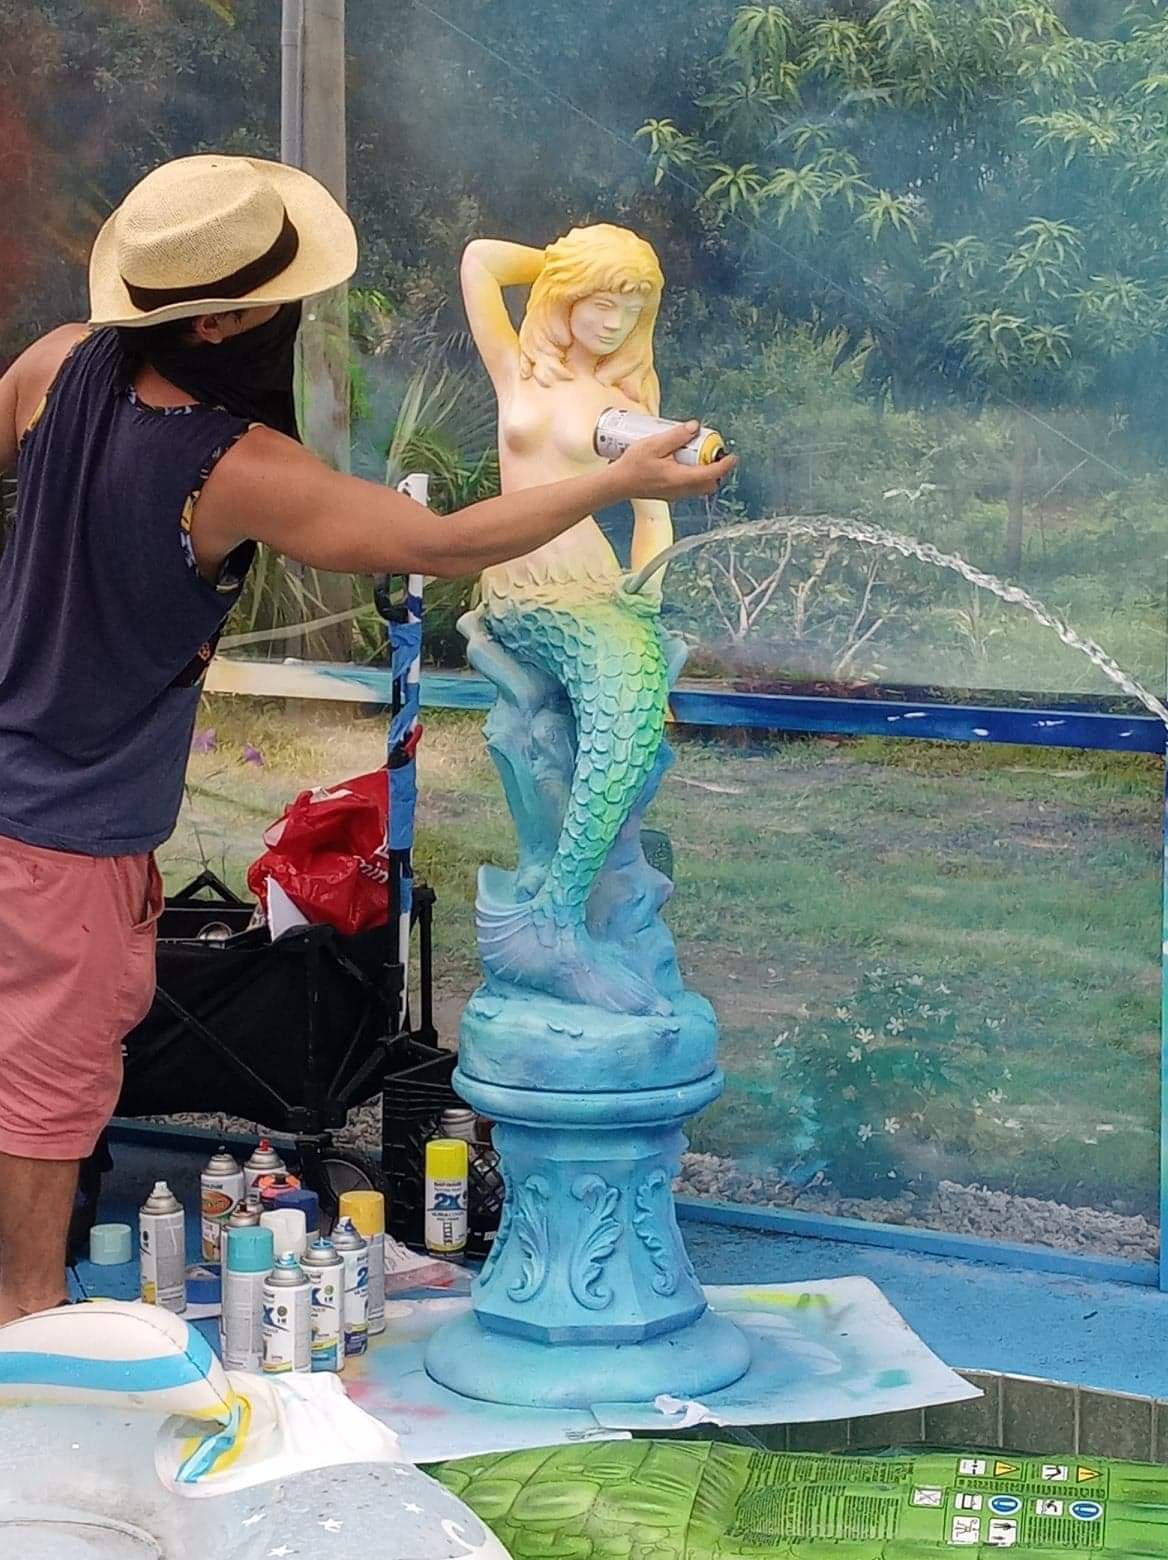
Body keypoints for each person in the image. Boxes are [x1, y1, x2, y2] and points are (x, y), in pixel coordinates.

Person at [0, 155, 735, 1324]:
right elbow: (439, 544)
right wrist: (624, 479)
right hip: (60, 845)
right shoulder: (230, 469)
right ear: (231, 319)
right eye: (283, 300)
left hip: (28, 805)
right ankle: (28, 1358)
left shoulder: (51, 369)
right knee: (40, 1110)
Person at [458, 225, 688, 1014]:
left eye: (635, 304)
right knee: (620, 700)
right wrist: (559, 264)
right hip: (527, 585)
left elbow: (655, 517)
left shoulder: (629, 407)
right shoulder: (518, 368)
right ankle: (552, 928)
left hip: (597, 587)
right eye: (602, 299)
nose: (617, 321)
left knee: (630, 710)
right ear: (563, 298)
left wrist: (644, 603)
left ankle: (565, 912)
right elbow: (481, 262)